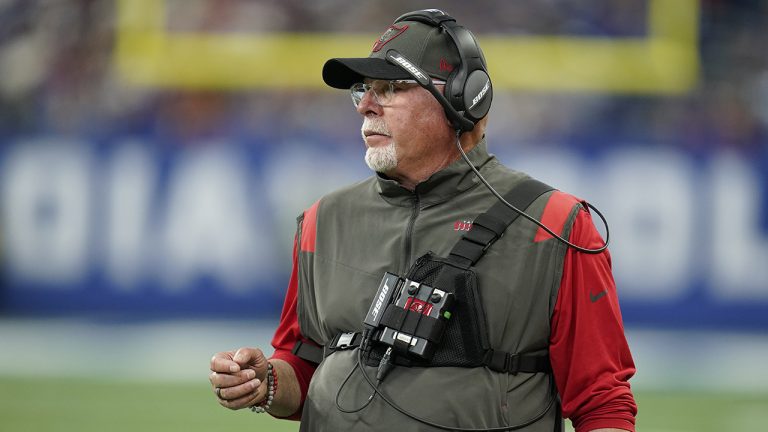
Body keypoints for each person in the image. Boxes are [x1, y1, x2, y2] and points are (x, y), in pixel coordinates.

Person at [209, 9, 637, 432]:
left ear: (461, 101)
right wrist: (264, 381)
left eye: (391, 88)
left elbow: (603, 403)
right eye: (363, 90)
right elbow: (303, 366)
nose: (366, 107)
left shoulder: (555, 224)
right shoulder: (324, 219)